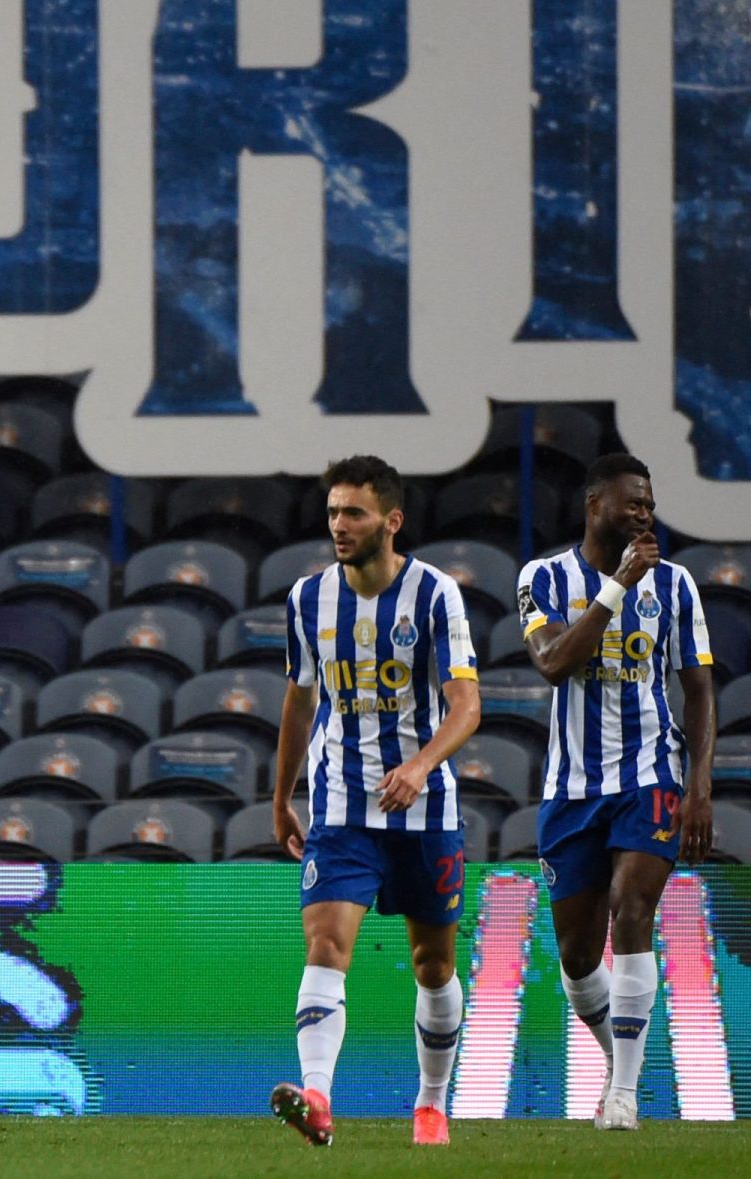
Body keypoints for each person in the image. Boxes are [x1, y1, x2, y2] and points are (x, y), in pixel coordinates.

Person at [268, 455, 483, 1148]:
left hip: (424, 811)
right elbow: (300, 701)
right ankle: (319, 1099)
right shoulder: (307, 598)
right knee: (326, 943)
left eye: (353, 512)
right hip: (340, 806)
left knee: (434, 965)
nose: (339, 524)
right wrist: (280, 795)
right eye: (332, 511)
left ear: (391, 521)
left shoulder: (436, 595)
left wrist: (421, 763)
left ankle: (430, 1103)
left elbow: (467, 704)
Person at [516, 452, 715, 1133]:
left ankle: (626, 1095)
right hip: (571, 789)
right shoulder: (540, 578)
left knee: (633, 908)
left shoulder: (678, 585)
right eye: (632, 501)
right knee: (576, 956)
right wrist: (615, 589)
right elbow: (552, 663)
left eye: (649, 503)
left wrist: (699, 784)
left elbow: (698, 689)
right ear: (595, 502)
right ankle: (615, 1061)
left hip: (649, 778)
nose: (644, 513)